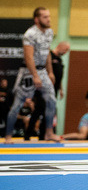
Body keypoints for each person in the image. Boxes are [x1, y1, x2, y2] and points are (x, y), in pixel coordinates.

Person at [5, 8, 59, 143]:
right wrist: (35, 76)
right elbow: (28, 57)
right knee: (18, 104)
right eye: (45, 17)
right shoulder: (30, 34)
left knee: (52, 100)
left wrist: (50, 72)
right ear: (37, 19)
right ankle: (8, 136)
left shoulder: (49, 33)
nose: (49, 19)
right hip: (28, 72)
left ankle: (49, 133)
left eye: (49, 16)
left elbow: (47, 54)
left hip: (42, 71)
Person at [30, 41, 69, 141]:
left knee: (50, 111)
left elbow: (59, 76)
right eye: (65, 50)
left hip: (54, 90)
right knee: (39, 110)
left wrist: (61, 89)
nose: (66, 52)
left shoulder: (59, 60)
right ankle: (28, 133)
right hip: (45, 88)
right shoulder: (49, 56)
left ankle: (44, 135)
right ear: (60, 46)